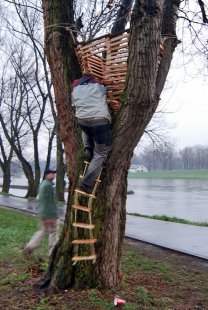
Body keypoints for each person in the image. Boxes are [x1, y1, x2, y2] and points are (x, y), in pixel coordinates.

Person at [71, 73, 112, 194]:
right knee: (101, 152)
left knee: (86, 128)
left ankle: (88, 148)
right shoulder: (98, 84)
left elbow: (74, 103)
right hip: (99, 119)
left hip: (82, 119)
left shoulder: (74, 86)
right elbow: (107, 88)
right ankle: (86, 183)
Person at [24, 169, 58, 256]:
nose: (54, 175)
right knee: (50, 232)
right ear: (47, 175)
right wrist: (47, 216)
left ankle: (30, 248)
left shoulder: (45, 184)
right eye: (52, 173)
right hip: (49, 215)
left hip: (47, 214)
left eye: (54, 173)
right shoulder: (47, 186)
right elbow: (45, 202)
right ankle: (51, 252)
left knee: (46, 231)